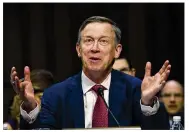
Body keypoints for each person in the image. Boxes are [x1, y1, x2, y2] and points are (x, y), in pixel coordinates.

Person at [10, 16, 171, 129]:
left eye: (103, 41)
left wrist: (148, 103)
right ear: (79, 50)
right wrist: (30, 106)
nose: (95, 48)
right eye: (88, 40)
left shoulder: (137, 91)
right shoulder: (56, 95)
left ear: (117, 50)